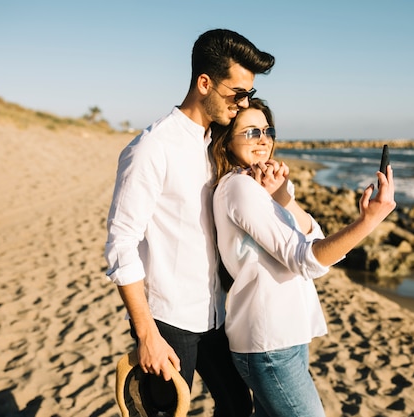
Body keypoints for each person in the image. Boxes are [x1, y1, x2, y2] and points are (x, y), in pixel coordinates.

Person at [104, 29, 274, 416]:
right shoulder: (151, 148)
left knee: (235, 405)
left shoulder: (214, 143)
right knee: (165, 413)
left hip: (215, 312)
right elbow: (121, 244)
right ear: (204, 83)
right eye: (236, 93)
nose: (243, 103)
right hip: (168, 319)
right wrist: (147, 335)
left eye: (248, 94)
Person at [210, 98, 396, 417]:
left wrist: (282, 197)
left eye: (267, 130)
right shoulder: (239, 188)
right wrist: (369, 221)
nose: (263, 139)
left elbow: (316, 239)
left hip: (286, 338)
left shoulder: (256, 186)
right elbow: (307, 260)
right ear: (226, 140)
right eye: (251, 132)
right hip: (269, 343)